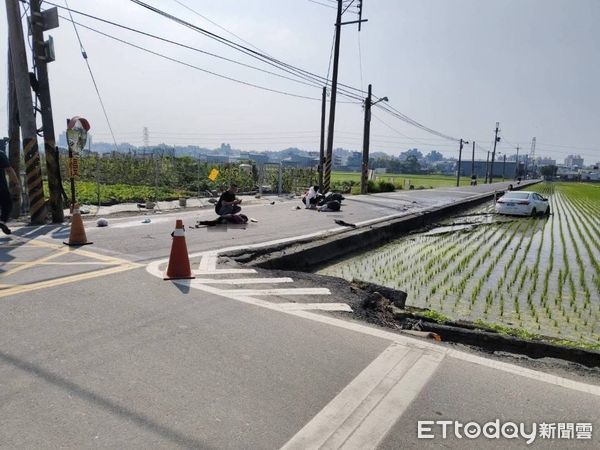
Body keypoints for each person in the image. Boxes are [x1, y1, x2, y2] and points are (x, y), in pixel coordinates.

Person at [0, 149, 20, 235]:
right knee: (7, 204)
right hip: (1, 187)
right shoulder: (0, 154)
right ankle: (2, 221)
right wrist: (16, 183)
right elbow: (9, 170)